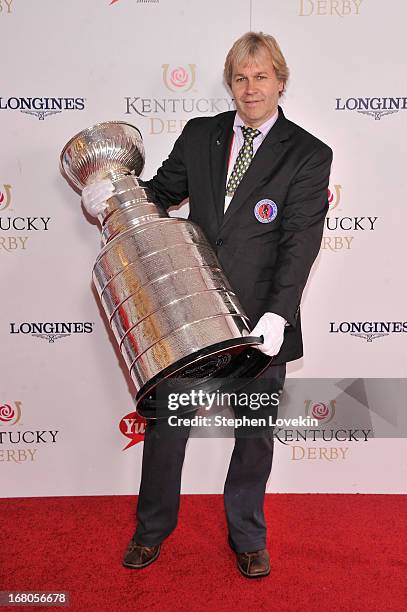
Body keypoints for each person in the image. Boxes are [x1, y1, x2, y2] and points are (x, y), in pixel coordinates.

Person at [82, 32, 332, 578]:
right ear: (230, 84)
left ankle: (247, 537)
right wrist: (114, 195)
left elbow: (300, 241)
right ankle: (151, 532)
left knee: (254, 434)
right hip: (188, 317)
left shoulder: (310, 154)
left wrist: (277, 314)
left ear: (280, 82)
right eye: (241, 78)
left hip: (261, 320)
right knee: (167, 429)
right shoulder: (201, 135)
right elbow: (161, 194)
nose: (250, 88)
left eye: (261, 77)